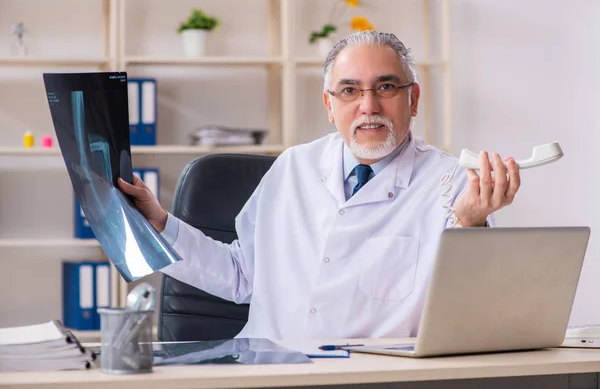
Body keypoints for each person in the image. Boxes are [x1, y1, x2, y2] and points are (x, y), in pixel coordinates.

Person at [118, 31, 521, 340]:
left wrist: (472, 226)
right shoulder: (293, 167)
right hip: (268, 370)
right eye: (349, 90)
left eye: (386, 87)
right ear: (330, 105)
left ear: (412, 100)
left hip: (375, 380)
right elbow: (242, 275)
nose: (368, 106)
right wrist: (158, 221)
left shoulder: (452, 185)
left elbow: (468, 320)